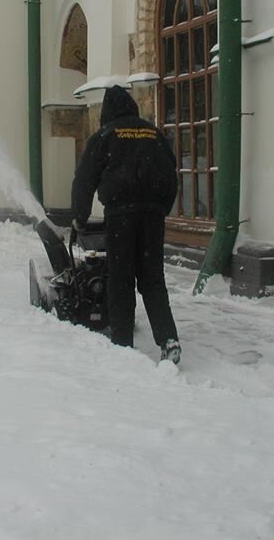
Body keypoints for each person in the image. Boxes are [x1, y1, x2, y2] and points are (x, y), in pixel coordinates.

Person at [71, 85, 181, 364]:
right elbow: (171, 174)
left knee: (121, 278)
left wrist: (79, 216)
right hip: (152, 216)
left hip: (121, 216)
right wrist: (160, 209)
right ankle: (168, 339)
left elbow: (84, 178)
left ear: (107, 112)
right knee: (153, 279)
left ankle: (122, 343)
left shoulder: (105, 136)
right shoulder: (154, 134)